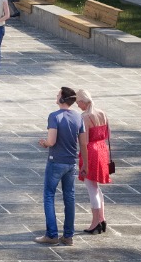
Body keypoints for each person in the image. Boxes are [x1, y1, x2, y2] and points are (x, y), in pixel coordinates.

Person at [36, 87, 83, 245]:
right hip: (71, 163)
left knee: (49, 196)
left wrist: (44, 143)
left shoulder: (54, 116)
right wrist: (86, 164)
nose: (56, 96)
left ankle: (52, 234)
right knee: (69, 197)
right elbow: (83, 143)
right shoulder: (78, 117)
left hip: (55, 161)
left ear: (62, 99)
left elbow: (52, 141)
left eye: (58, 94)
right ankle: (68, 236)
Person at [76, 90, 111, 234]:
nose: (78, 105)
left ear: (83, 102)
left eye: (78, 102)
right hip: (102, 149)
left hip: (91, 152)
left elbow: (85, 141)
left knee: (91, 188)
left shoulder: (85, 117)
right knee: (96, 187)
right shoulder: (102, 113)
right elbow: (107, 134)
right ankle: (102, 219)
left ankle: (95, 222)